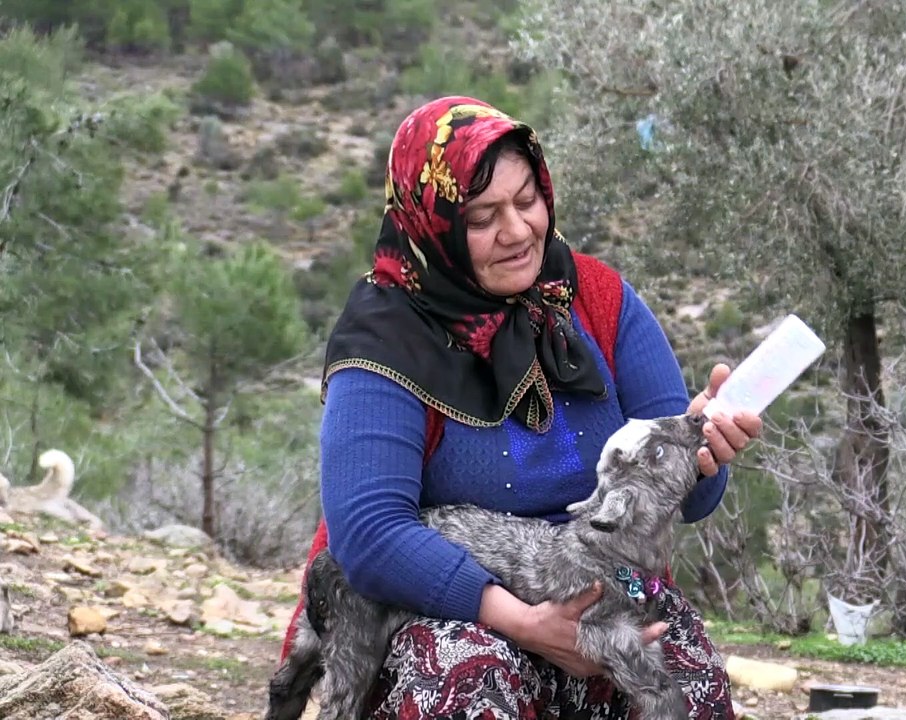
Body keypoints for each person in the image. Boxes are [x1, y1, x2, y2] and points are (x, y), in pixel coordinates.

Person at [278, 96, 762, 719]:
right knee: (469, 676)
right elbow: (368, 535)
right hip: (444, 613)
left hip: (597, 597)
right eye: (483, 217)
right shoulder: (386, 338)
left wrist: (702, 451)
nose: (517, 231)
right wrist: (529, 624)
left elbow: (690, 499)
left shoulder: (597, 299)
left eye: (526, 200)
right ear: (437, 225)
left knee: (685, 680)